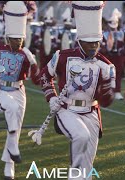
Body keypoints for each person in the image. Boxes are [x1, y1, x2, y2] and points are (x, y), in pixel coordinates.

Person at [39, 1, 115, 179]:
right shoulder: (62, 57)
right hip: (67, 110)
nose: (93, 47)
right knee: (81, 136)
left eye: (96, 43)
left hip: (91, 112)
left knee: (88, 163)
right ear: (79, 40)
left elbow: (107, 101)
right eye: (89, 43)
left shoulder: (107, 65)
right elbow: (44, 76)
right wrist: (51, 98)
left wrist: (107, 89)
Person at [0, 1, 39, 179]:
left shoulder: (26, 53)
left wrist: (36, 67)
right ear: (8, 38)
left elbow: (36, 75)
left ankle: (10, 165)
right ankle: (13, 149)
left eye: (21, 38)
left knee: (15, 127)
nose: (19, 42)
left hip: (19, 91)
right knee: (12, 110)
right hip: (0, 90)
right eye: (15, 39)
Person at [100, 8, 124, 100]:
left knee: (118, 74)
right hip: (108, 56)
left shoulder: (121, 34)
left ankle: (117, 91)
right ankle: (106, 91)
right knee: (106, 74)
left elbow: (123, 45)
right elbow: (101, 45)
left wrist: (120, 50)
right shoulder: (103, 34)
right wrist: (104, 48)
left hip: (118, 56)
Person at [33, 6, 57, 70]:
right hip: (42, 48)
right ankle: (42, 76)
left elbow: (54, 39)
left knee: (50, 63)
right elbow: (36, 37)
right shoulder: (40, 28)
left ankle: (50, 77)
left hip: (51, 49)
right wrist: (38, 45)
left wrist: (54, 47)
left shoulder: (53, 29)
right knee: (43, 63)